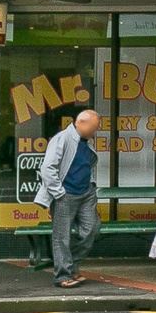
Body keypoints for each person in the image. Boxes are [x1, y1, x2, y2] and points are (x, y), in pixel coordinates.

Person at [33, 109, 102, 288]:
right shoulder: (62, 138)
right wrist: (59, 193)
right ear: (81, 123)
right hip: (66, 194)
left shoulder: (86, 141)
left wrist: (92, 185)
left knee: (92, 229)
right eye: (93, 128)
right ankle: (63, 275)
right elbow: (47, 168)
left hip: (86, 192)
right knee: (61, 236)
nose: (95, 132)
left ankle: (70, 266)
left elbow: (89, 164)